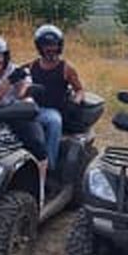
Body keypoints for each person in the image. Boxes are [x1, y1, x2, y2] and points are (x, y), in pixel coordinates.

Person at [0, 34, 48, 208]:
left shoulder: (19, 70)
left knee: (37, 145)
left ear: (5, 56)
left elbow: (23, 93)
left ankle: (41, 191)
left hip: (20, 115)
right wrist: (8, 81)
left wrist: (21, 82)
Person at [27, 24, 85, 171]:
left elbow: (79, 90)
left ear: (59, 46)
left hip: (54, 110)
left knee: (54, 122)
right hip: (33, 107)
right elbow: (16, 83)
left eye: (54, 45)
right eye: (46, 45)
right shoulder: (32, 66)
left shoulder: (66, 68)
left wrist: (76, 101)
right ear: (39, 47)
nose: (50, 49)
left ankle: (49, 166)